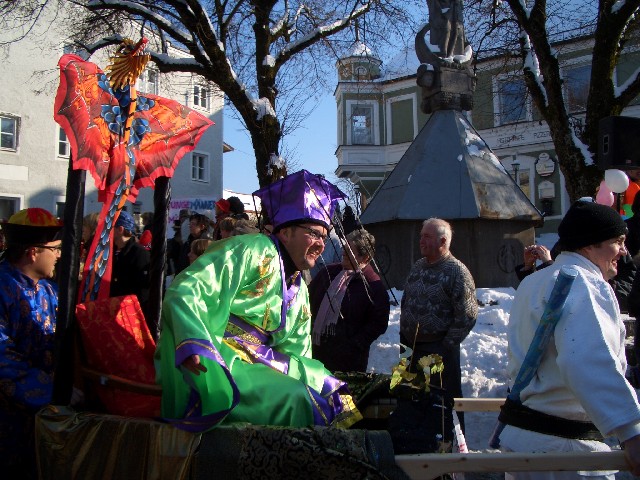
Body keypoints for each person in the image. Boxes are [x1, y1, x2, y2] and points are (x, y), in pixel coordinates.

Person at [155, 169, 361, 432]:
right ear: (286, 232)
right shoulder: (251, 250)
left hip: (259, 360)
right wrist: (192, 340)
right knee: (297, 397)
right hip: (220, 355)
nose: (321, 244)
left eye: (324, 235)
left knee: (332, 391)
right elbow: (187, 289)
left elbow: (296, 350)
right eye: (314, 233)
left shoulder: (298, 286)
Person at [500, 200, 640, 480]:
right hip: (564, 450)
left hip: (524, 443)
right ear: (590, 245)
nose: (624, 251)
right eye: (617, 242)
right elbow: (586, 361)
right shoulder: (585, 283)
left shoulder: (533, 281)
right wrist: (632, 432)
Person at [0, 208, 63, 479]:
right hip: (8, 418)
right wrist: (53, 390)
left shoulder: (49, 290)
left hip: (44, 420)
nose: (59, 255)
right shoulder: (2, 287)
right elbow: (2, 355)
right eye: (55, 248)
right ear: (33, 252)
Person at [400, 218, 477, 432]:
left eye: (427, 236)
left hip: (437, 350)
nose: (421, 241)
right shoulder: (418, 266)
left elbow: (467, 315)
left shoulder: (457, 272)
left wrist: (445, 346)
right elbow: (406, 300)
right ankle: (411, 442)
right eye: (421, 236)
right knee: (408, 399)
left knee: (441, 405)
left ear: (443, 241)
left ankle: (450, 446)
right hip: (408, 349)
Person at [309, 228, 390, 372]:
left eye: (349, 251)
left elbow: (379, 323)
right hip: (316, 351)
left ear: (365, 258)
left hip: (348, 362)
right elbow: (308, 296)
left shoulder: (373, 286)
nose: (343, 253)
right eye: (345, 248)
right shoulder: (328, 273)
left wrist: (355, 344)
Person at [110, 210, 151, 318]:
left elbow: (143, 291)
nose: (108, 231)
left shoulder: (140, 254)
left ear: (120, 229)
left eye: (111, 227)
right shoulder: (113, 251)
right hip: (115, 310)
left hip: (130, 314)